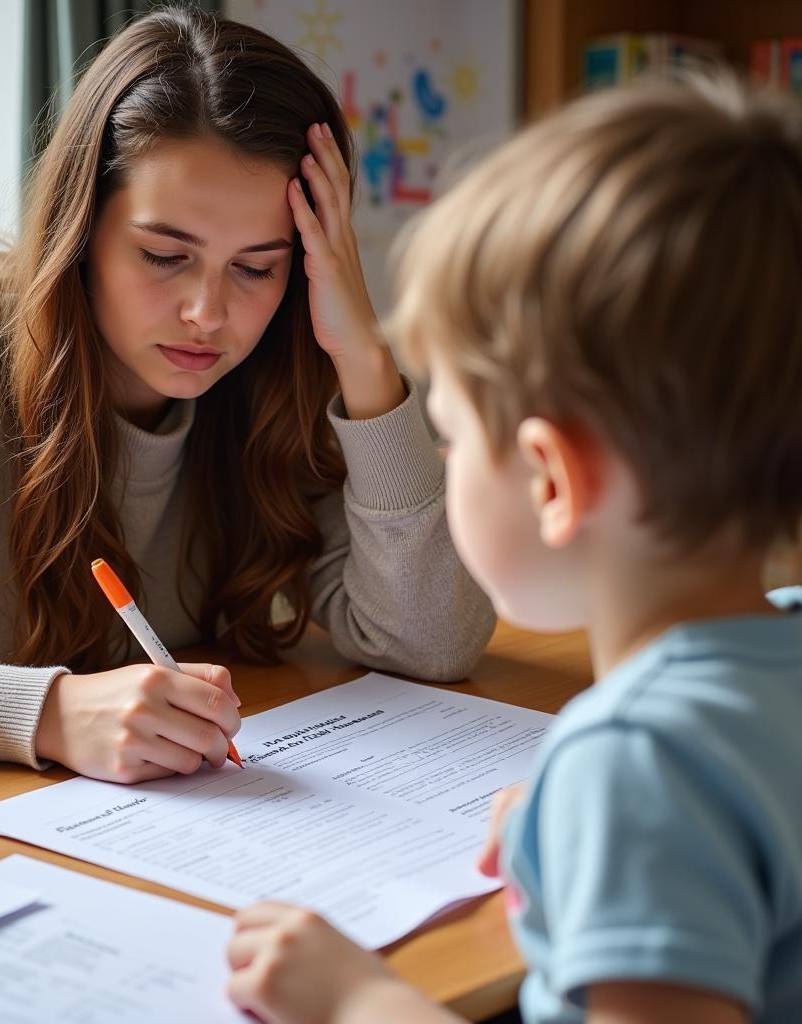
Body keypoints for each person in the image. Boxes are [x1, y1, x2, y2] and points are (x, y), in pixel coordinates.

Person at [0, 6, 494, 783]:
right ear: (80, 230)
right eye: (163, 255)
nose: (209, 314)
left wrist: (364, 356)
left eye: (258, 267)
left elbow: (435, 641)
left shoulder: (273, 375)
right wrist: (46, 713)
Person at [225, 73, 802, 1024]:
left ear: (549, 480)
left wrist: (359, 1001)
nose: (444, 463)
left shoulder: (637, 763)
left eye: (449, 437)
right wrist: (583, 839)